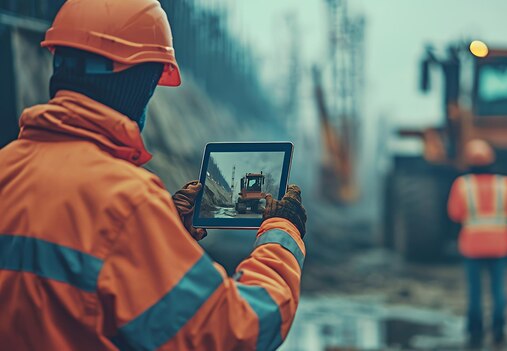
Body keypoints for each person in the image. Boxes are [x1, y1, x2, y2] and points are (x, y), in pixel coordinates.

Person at [0, 1, 307, 350]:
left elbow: (70, 280)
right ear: (139, 82)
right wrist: (281, 236)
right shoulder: (125, 201)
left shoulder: (7, 167)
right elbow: (232, 332)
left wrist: (165, 228)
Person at [447, 139, 507, 347]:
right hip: (499, 245)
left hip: (472, 246)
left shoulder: (461, 185)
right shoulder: (505, 184)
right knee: (499, 289)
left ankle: (475, 330)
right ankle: (499, 329)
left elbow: (454, 214)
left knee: (474, 291)